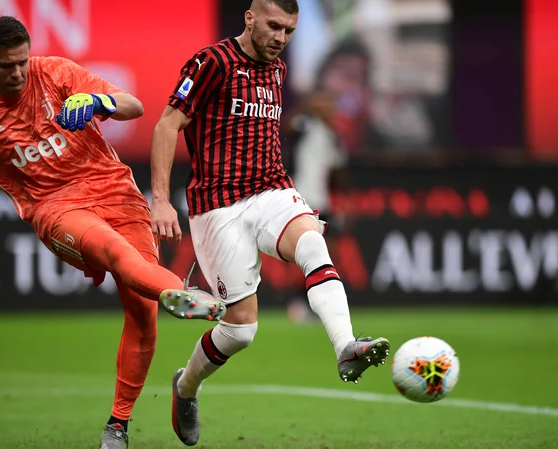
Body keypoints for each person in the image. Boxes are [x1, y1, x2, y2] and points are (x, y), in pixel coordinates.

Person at [0, 16, 225, 449]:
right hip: (57, 207)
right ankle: (179, 292)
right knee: (113, 252)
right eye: (5, 66)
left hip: (117, 192)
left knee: (141, 310)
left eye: (22, 61)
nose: (17, 72)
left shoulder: (55, 72)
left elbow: (132, 104)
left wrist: (97, 103)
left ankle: (117, 425)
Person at [149, 0, 390, 446]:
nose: (281, 37)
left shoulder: (277, 69)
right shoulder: (211, 62)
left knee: (313, 243)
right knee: (241, 330)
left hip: (272, 190)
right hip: (217, 205)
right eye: (274, 26)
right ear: (250, 18)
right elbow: (167, 126)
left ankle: (345, 347)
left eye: (290, 31)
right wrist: (160, 200)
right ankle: (186, 387)